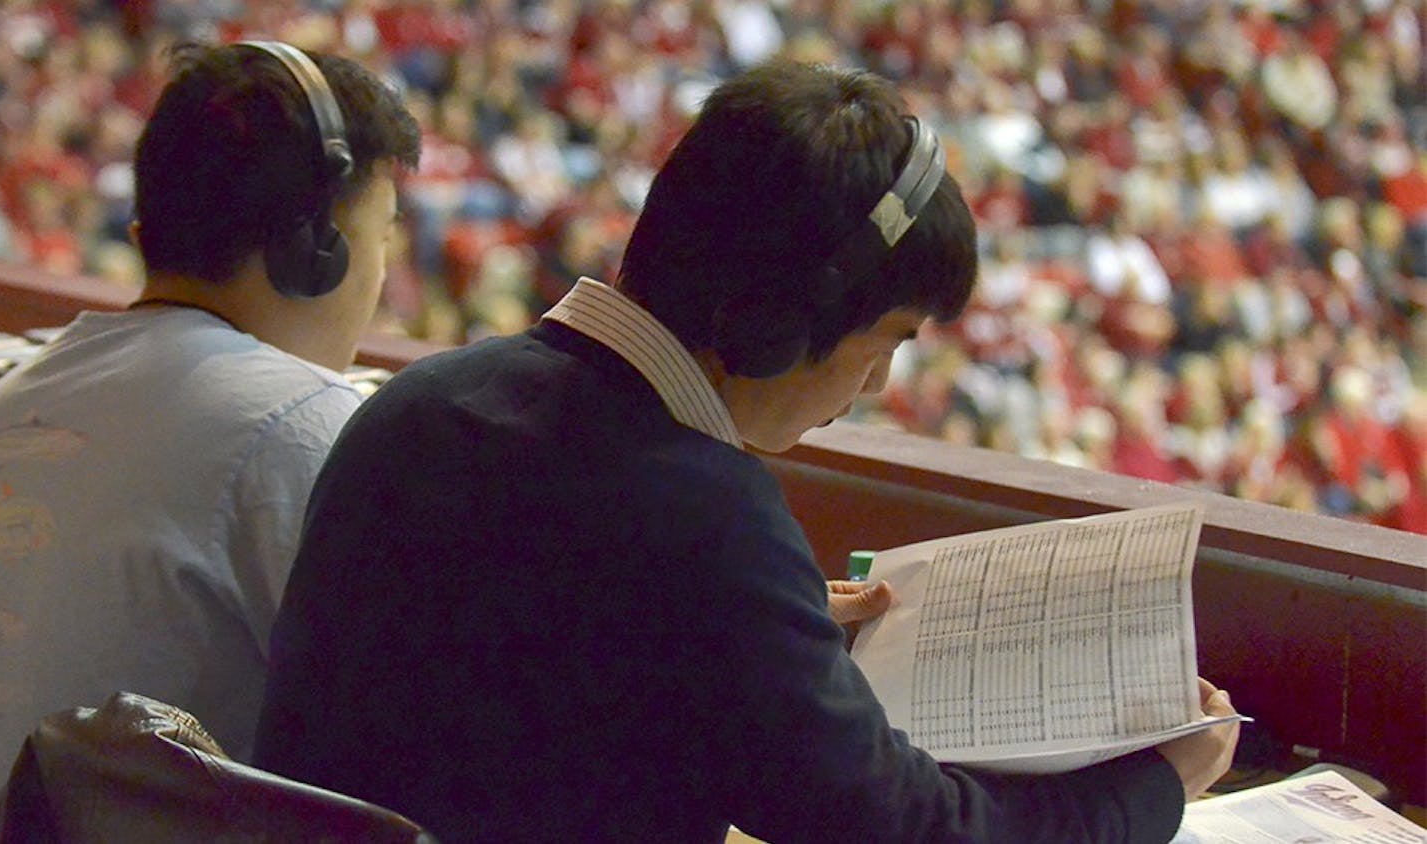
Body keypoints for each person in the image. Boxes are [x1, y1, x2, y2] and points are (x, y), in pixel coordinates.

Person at [254, 60, 1238, 843]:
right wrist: (1151, 789)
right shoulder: (701, 513)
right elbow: (899, 828)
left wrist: (776, 629)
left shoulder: (423, 402)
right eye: (888, 338)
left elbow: (560, 650)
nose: (879, 385)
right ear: (778, 320)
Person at [0, 40, 420, 827]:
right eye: (384, 233)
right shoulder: (306, 424)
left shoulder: (11, 403)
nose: (383, 274)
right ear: (314, 247)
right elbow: (410, 727)